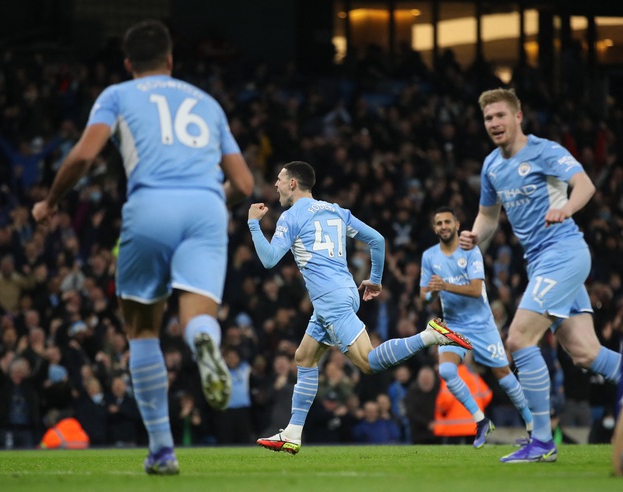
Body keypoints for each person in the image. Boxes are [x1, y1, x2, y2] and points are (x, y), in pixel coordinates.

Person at [32, 19, 254, 475]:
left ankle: (161, 450)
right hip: (206, 207)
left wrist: (51, 201)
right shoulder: (208, 103)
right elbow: (246, 183)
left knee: (142, 329)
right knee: (198, 315)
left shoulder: (117, 95)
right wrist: (213, 201)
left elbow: (84, 156)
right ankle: (206, 343)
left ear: (128, 63)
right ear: (171, 60)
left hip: (151, 204)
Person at [248, 161, 472, 454]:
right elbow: (376, 239)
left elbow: (268, 259)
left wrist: (253, 222)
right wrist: (375, 280)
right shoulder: (336, 211)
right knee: (304, 357)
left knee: (367, 363)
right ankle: (292, 432)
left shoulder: (291, 217)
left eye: (279, 179)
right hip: (344, 292)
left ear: (293, 183)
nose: (275, 184)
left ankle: (430, 335)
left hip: (330, 300)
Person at [459, 88, 622, 463]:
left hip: (563, 253)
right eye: (488, 118)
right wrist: (473, 239)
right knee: (585, 353)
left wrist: (565, 208)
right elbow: (488, 217)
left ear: (518, 117)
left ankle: (543, 439)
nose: (495, 123)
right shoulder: (491, 166)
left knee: (518, 339)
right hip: (541, 262)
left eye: (501, 115)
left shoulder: (545, 150)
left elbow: (586, 185)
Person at [420, 206, 533, 448]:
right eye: (439, 223)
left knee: (503, 375)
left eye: (447, 222)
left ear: (457, 224)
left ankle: (534, 425)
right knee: (447, 372)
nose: (443, 227)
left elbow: (474, 289)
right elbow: (424, 295)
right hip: (453, 324)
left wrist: (445, 286)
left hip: (482, 324)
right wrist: (431, 293)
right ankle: (481, 421)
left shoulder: (470, 252)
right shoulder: (429, 256)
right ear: (434, 228)